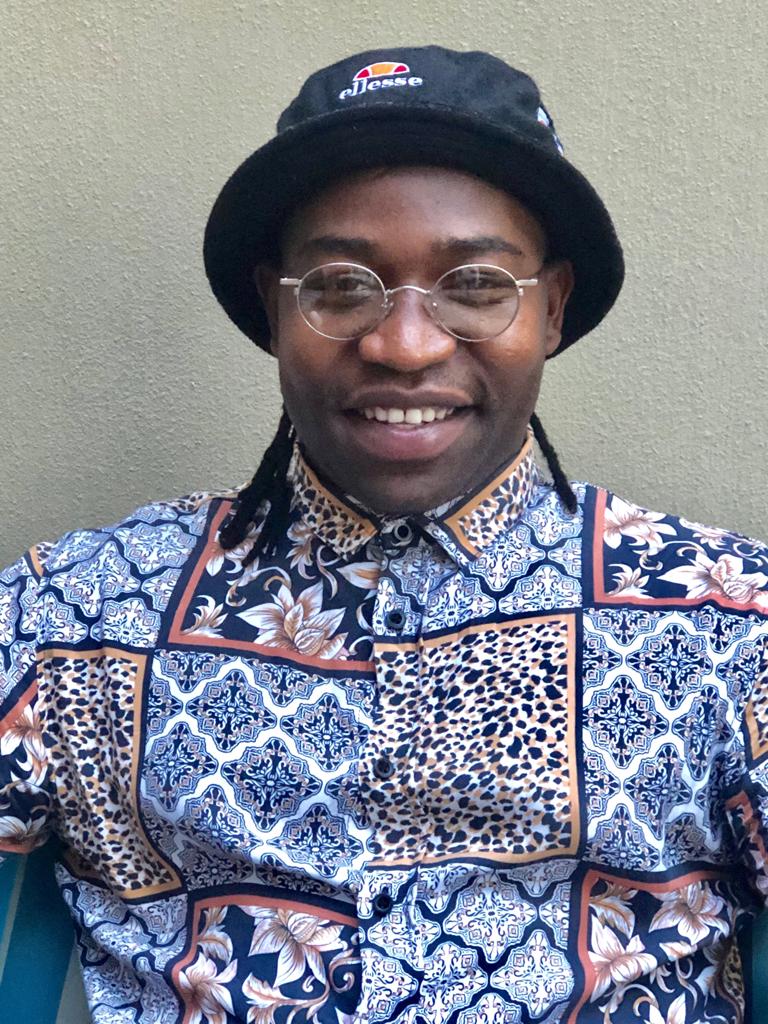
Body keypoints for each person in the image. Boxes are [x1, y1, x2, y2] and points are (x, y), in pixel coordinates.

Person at [0, 44, 766, 1024]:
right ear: (276, 308)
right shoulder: (78, 614)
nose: (406, 345)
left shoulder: (725, 624)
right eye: (341, 285)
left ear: (553, 308)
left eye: (476, 285)